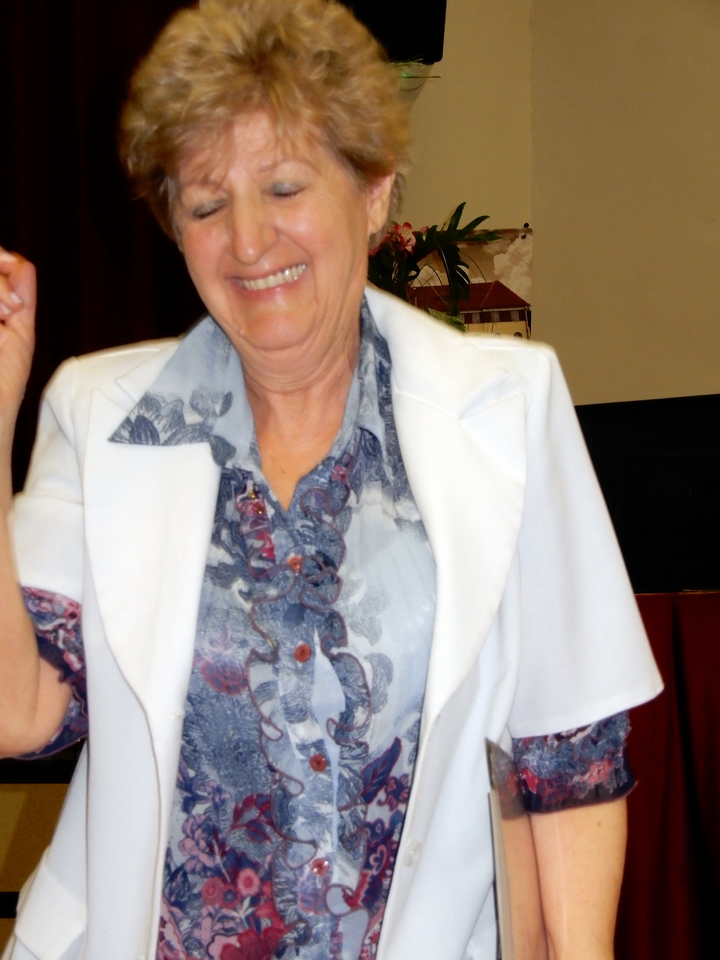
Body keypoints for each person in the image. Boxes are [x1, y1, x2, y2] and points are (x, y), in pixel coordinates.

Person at [0, 1, 662, 959]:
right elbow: (21, 715)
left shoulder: (507, 408)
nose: (248, 240)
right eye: (206, 204)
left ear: (374, 190)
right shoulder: (100, 416)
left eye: (283, 186)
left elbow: (569, 753)